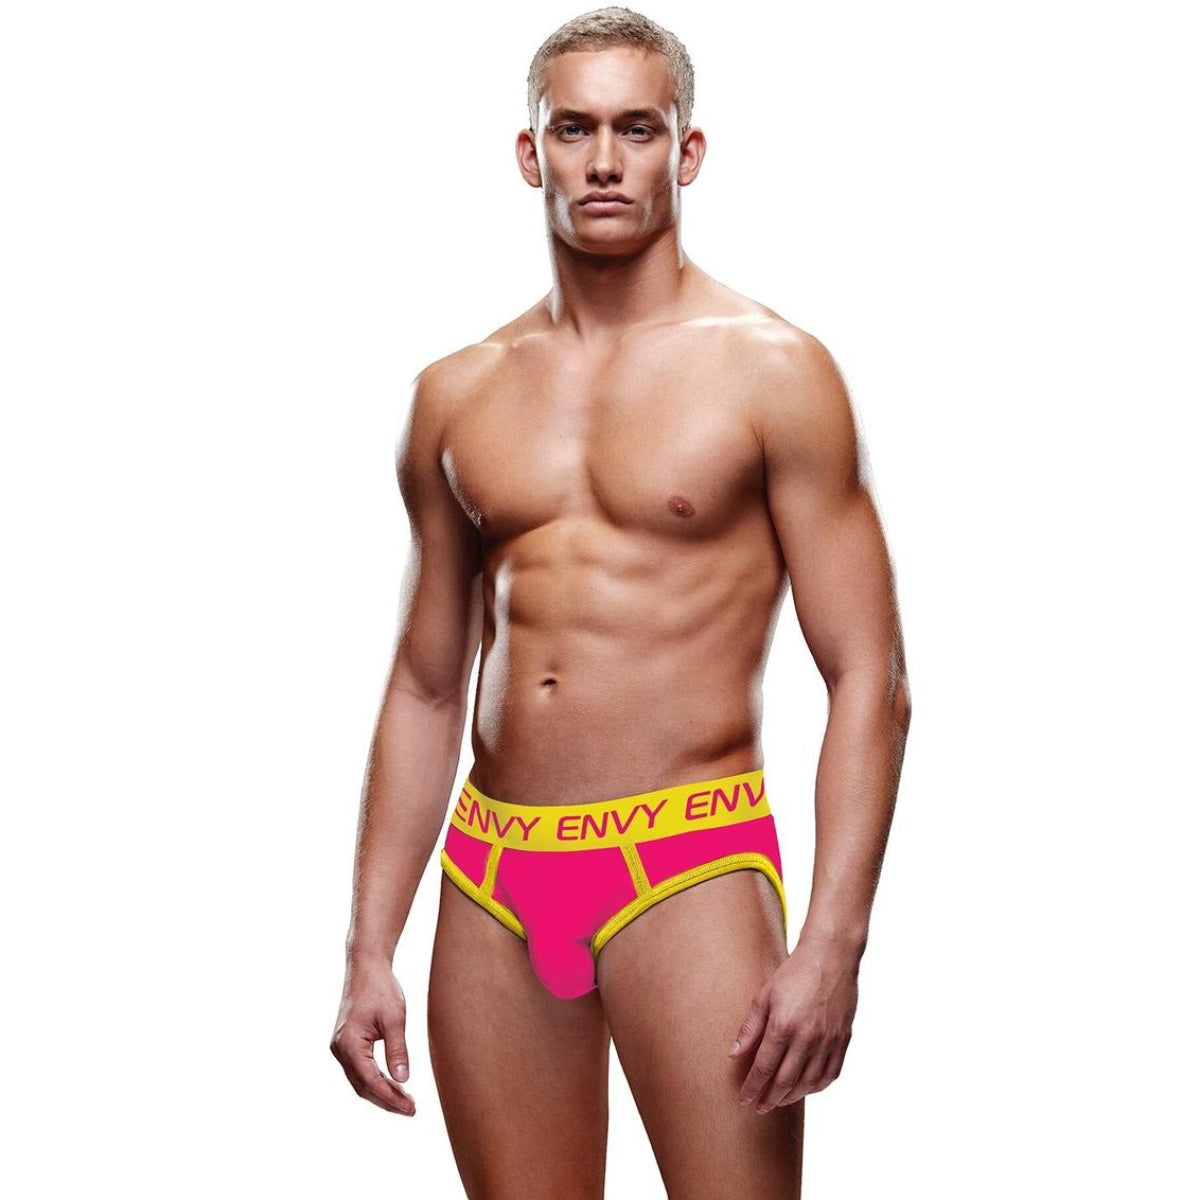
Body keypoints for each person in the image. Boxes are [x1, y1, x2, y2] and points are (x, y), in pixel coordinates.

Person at [330, 7, 911, 1197]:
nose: (604, 160)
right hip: (492, 875)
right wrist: (368, 946)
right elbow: (428, 683)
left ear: (686, 151)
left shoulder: (774, 371)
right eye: (575, 128)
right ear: (529, 151)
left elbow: (870, 677)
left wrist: (834, 944)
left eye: (637, 129)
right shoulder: (455, 394)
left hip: (686, 862)